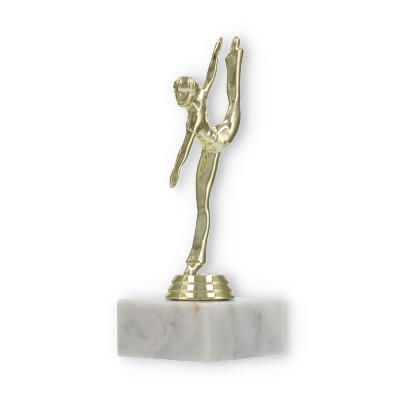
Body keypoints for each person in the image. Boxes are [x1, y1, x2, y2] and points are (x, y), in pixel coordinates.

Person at [170, 37, 243, 275]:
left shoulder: (195, 114)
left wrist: (176, 170)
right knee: (202, 205)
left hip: (222, 137)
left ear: (191, 93)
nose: (179, 96)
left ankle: (235, 57)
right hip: (208, 150)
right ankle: (196, 258)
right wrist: (214, 53)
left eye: (183, 92)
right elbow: (210, 76)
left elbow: (185, 148)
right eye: (176, 92)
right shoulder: (198, 100)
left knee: (234, 102)